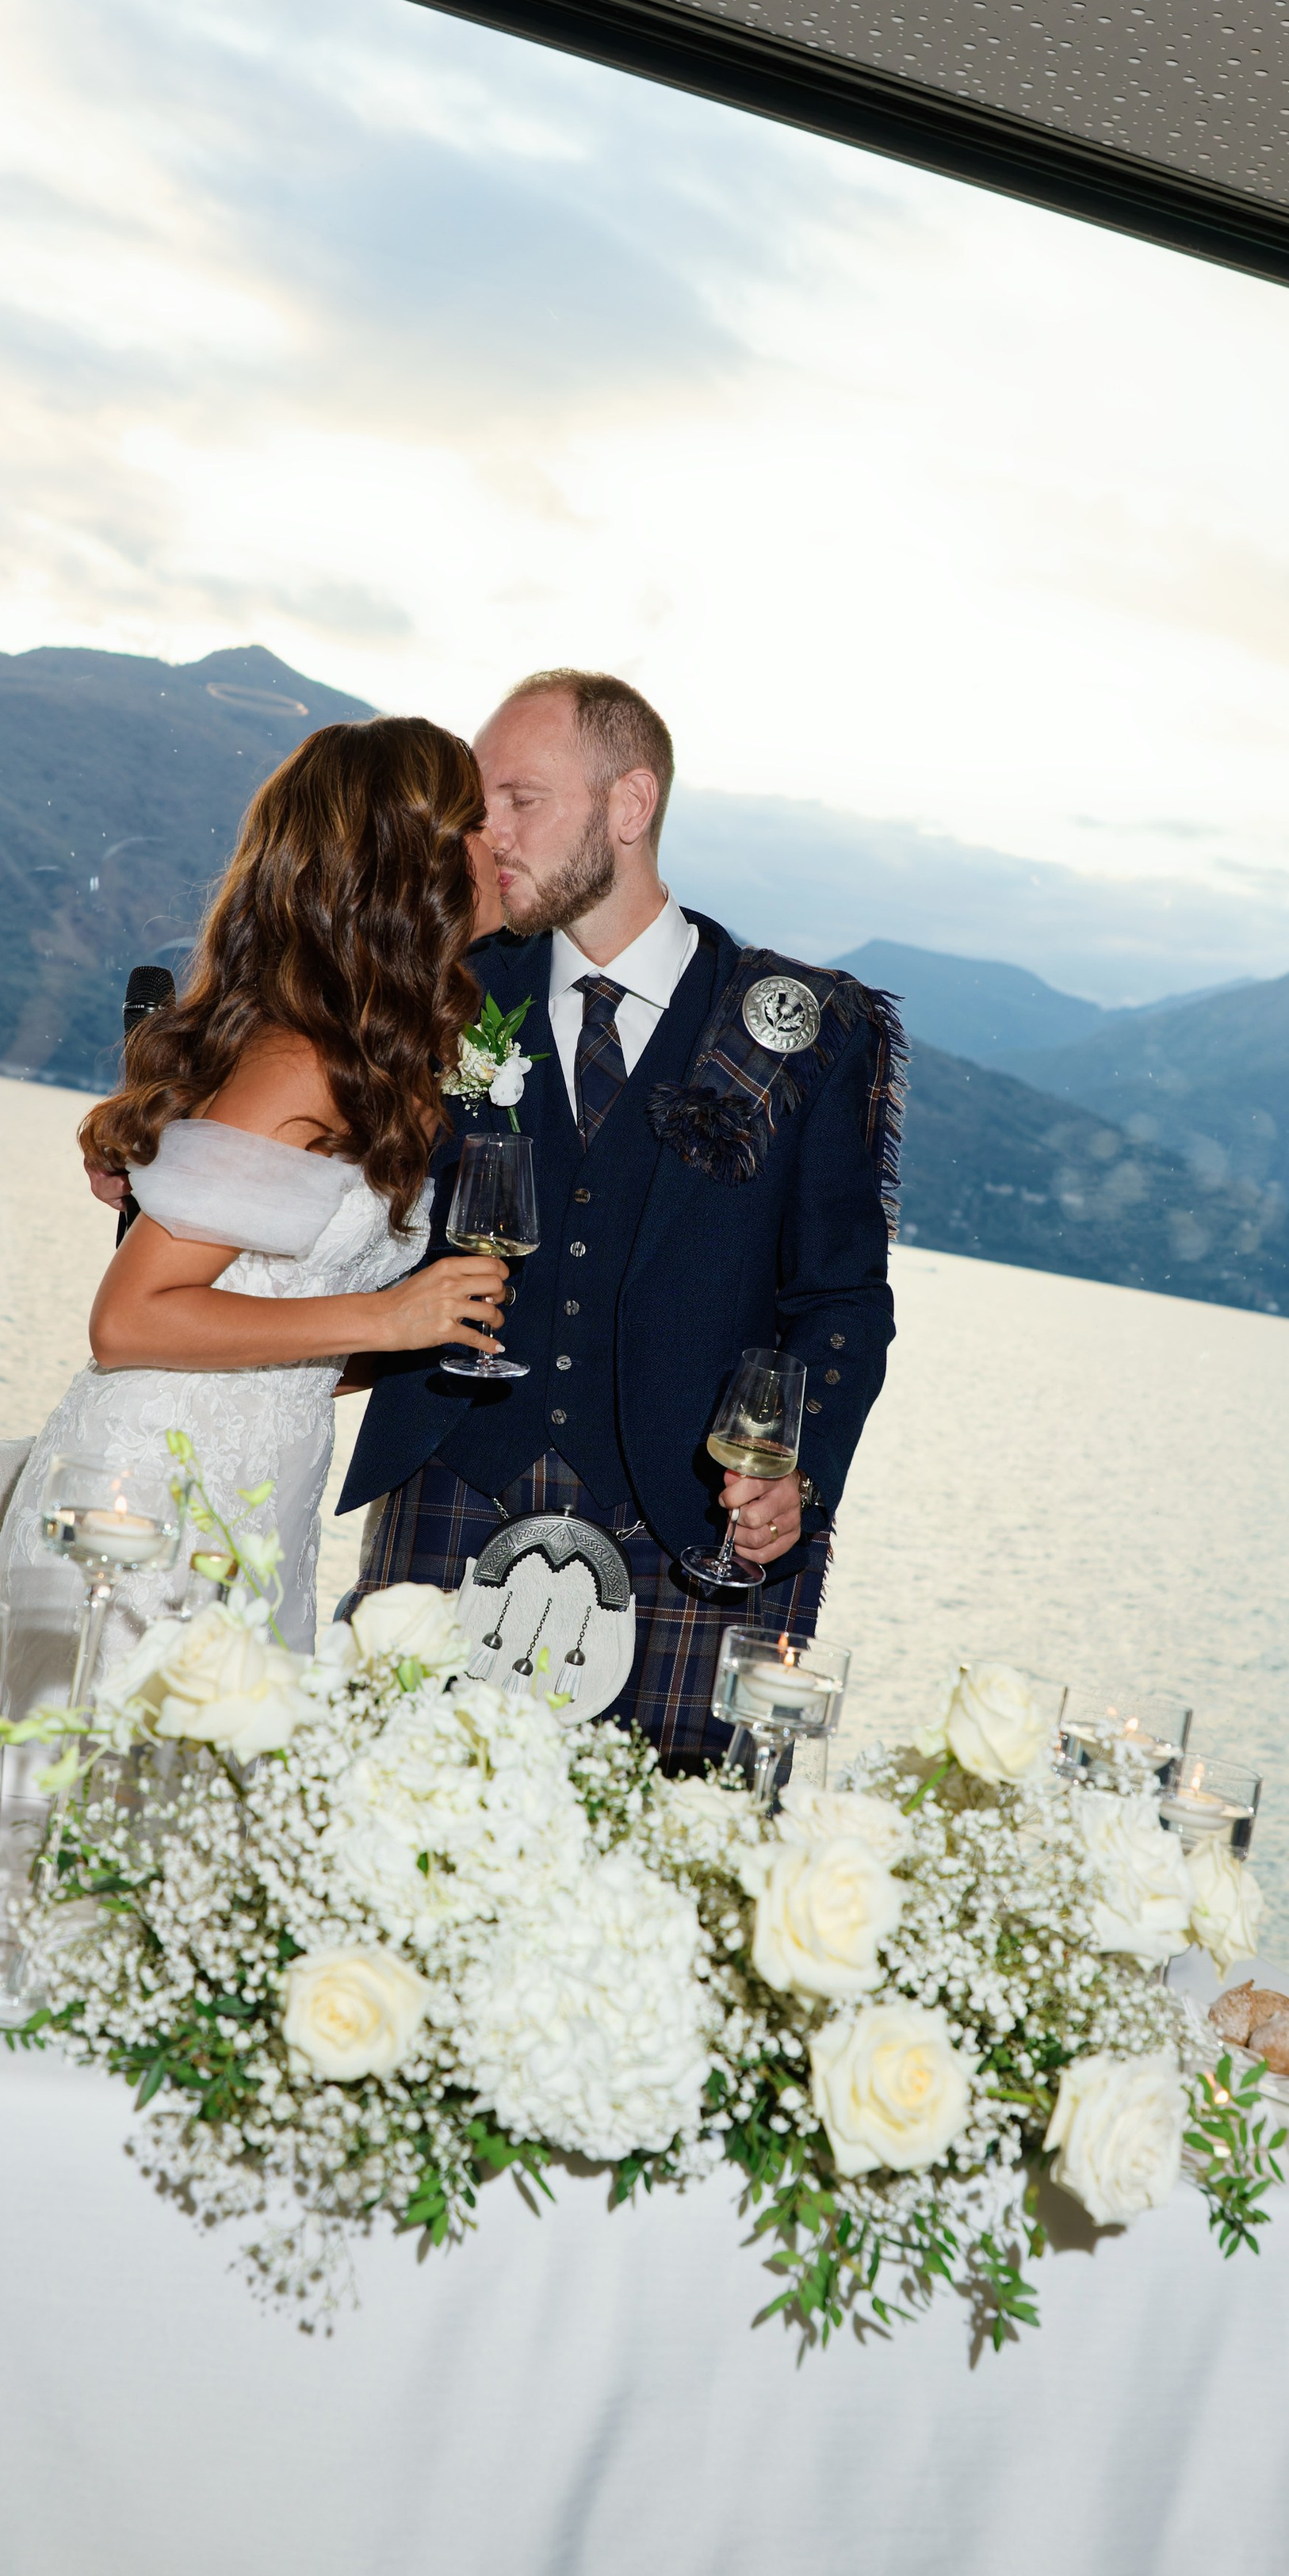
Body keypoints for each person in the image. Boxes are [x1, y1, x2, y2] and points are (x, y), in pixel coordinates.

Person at [339, 668, 902, 1768]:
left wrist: (801, 1468)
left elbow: (840, 1297)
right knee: (385, 1844)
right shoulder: (445, 988)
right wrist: (164, 1155)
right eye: (477, 806)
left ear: (628, 807)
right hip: (454, 1486)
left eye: (520, 800)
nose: (486, 833)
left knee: (670, 1885)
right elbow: (319, 1161)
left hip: (693, 1531)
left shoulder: (803, 1032)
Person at [0, 716, 509, 1678]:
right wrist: (391, 1315)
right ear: (414, 866)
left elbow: (278, 1325)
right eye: (477, 821)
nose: (501, 844)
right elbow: (130, 1318)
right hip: (146, 1516)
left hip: (251, 1501)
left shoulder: (348, 1053)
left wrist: (397, 1341)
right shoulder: (296, 1064)